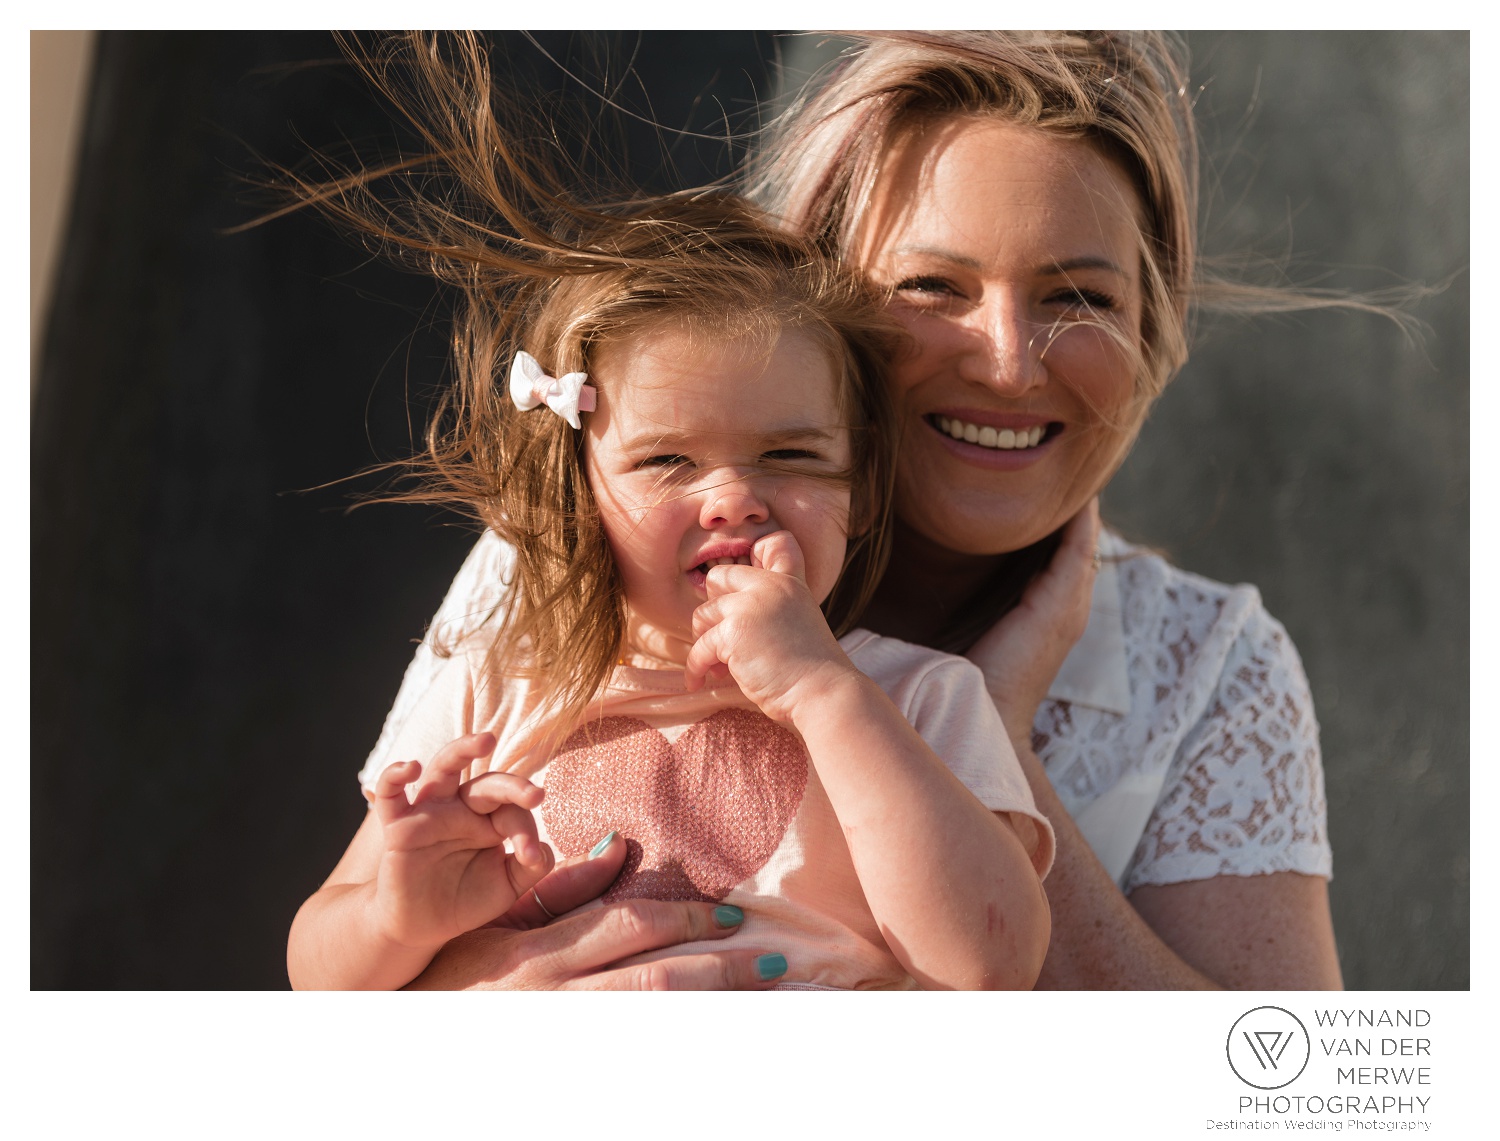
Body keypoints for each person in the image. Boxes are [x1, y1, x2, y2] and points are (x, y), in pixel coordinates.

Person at [359, 30, 1344, 990]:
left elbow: (1291, 1097)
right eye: (929, 286)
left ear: (1153, 330)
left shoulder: (1215, 663)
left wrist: (989, 735)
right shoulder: (576, 551)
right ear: (814, 310)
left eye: (1078, 297)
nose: (1007, 362)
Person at [282, 65, 1055, 988]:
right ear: (576, 491)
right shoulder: (494, 693)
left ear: (862, 487)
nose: (732, 496)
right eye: (667, 462)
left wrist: (823, 692)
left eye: (793, 456)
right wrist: (393, 914)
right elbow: (318, 976)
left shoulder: (916, 700)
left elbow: (994, 963)